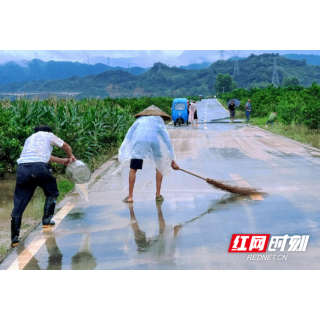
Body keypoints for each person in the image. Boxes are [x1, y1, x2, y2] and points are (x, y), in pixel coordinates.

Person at [10, 125, 76, 248]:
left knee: (19, 203)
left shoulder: (30, 139)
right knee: (52, 191)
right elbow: (66, 146)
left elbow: (43, 157)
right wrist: (70, 157)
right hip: (39, 168)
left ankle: (14, 239)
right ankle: (46, 221)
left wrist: (62, 160)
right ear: (49, 131)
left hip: (22, 168)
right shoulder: (49, 135)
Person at [118, 105, 180, 204]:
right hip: (154, 142)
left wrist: (130, 148)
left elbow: (129, 136)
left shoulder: (139, 121)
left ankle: (130, 197)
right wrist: (172, 161)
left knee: (133, 169)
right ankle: (158, 195)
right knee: (160, 166)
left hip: (139, 143)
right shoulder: (158, 120)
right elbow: (166, 141)